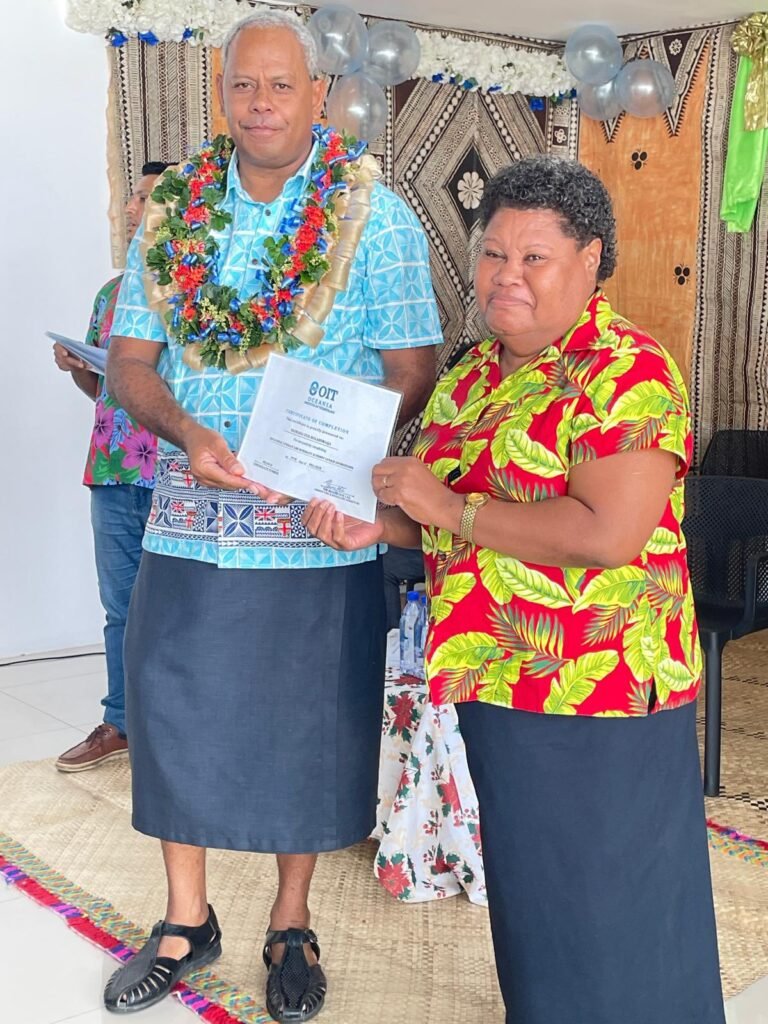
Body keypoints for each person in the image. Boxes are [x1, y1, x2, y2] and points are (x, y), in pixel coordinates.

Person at [305, 157, 725, 1024]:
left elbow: (607, 533)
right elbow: (443, 521)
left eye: (535, 257)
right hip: (497, 676)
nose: (507, 275)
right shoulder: (474, 374)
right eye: (494, 253)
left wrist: (446, 508)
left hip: (601, 685)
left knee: (615, 900)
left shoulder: (626, 370)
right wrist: (380, 527)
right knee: (539, 899)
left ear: (590, 258)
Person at [101, 10, 441, 1020]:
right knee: (173, 709)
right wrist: (183, 428)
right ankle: (185, 920)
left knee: (309, 726)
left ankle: (292, 920)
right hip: (188, 520)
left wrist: (340, 453)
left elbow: (415, 364)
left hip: (316, 529)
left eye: (280, 85)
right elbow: (130, 363)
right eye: (243, 85)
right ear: (222, 95)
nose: (260, 103)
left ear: (318, 95)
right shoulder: (173, 209)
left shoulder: (376, 214)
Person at [53, 161, 171, 773]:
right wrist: (81, 368)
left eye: (144, 198)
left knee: (179, 607)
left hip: (175, 473)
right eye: (131, 198)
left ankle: (177, 730)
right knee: (120, 607)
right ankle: (121, 722)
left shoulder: (195, 291)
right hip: (111, 471)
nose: (130, 209)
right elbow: (104, 391)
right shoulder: (111, 293)